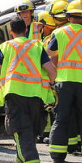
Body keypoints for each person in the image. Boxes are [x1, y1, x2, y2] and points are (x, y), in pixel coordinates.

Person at [0, 15, 56, 163]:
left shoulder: (5, 47)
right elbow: (51, 70)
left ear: (11, 32)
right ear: (25, 30)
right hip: (35, 96)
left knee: (21, 132)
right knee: (30, 133)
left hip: (14, 95)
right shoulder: (37, 45)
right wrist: (51, 85)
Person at [46, 0, 82, 163]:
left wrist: (61, 58)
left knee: (61, 117)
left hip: (63, 82)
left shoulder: (59, 33)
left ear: (68, 16)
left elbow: (49, 53)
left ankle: (57, 155)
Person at [33, 10, 59, 143]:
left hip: (48, 78)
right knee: (45, 106)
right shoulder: (47, 38)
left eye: (40, 26)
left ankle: (48, 134)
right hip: (44, 79)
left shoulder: (50, 39)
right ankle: (44, 133)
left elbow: (39, 52)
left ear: (46, 26)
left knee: (50, 107)